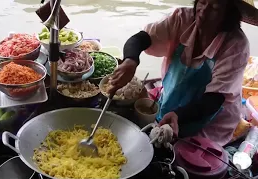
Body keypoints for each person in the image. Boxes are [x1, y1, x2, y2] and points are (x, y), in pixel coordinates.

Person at [109, 0, 258, 146]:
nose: (204, 11)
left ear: (229, 15)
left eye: (215, 7)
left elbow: (214, 100)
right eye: (203, 2)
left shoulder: (237, 46)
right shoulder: (181, 19)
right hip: (173, 102)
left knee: (186, 157)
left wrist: (179, 116)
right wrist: (131, 60)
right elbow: (141, 38)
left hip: (210, 119)